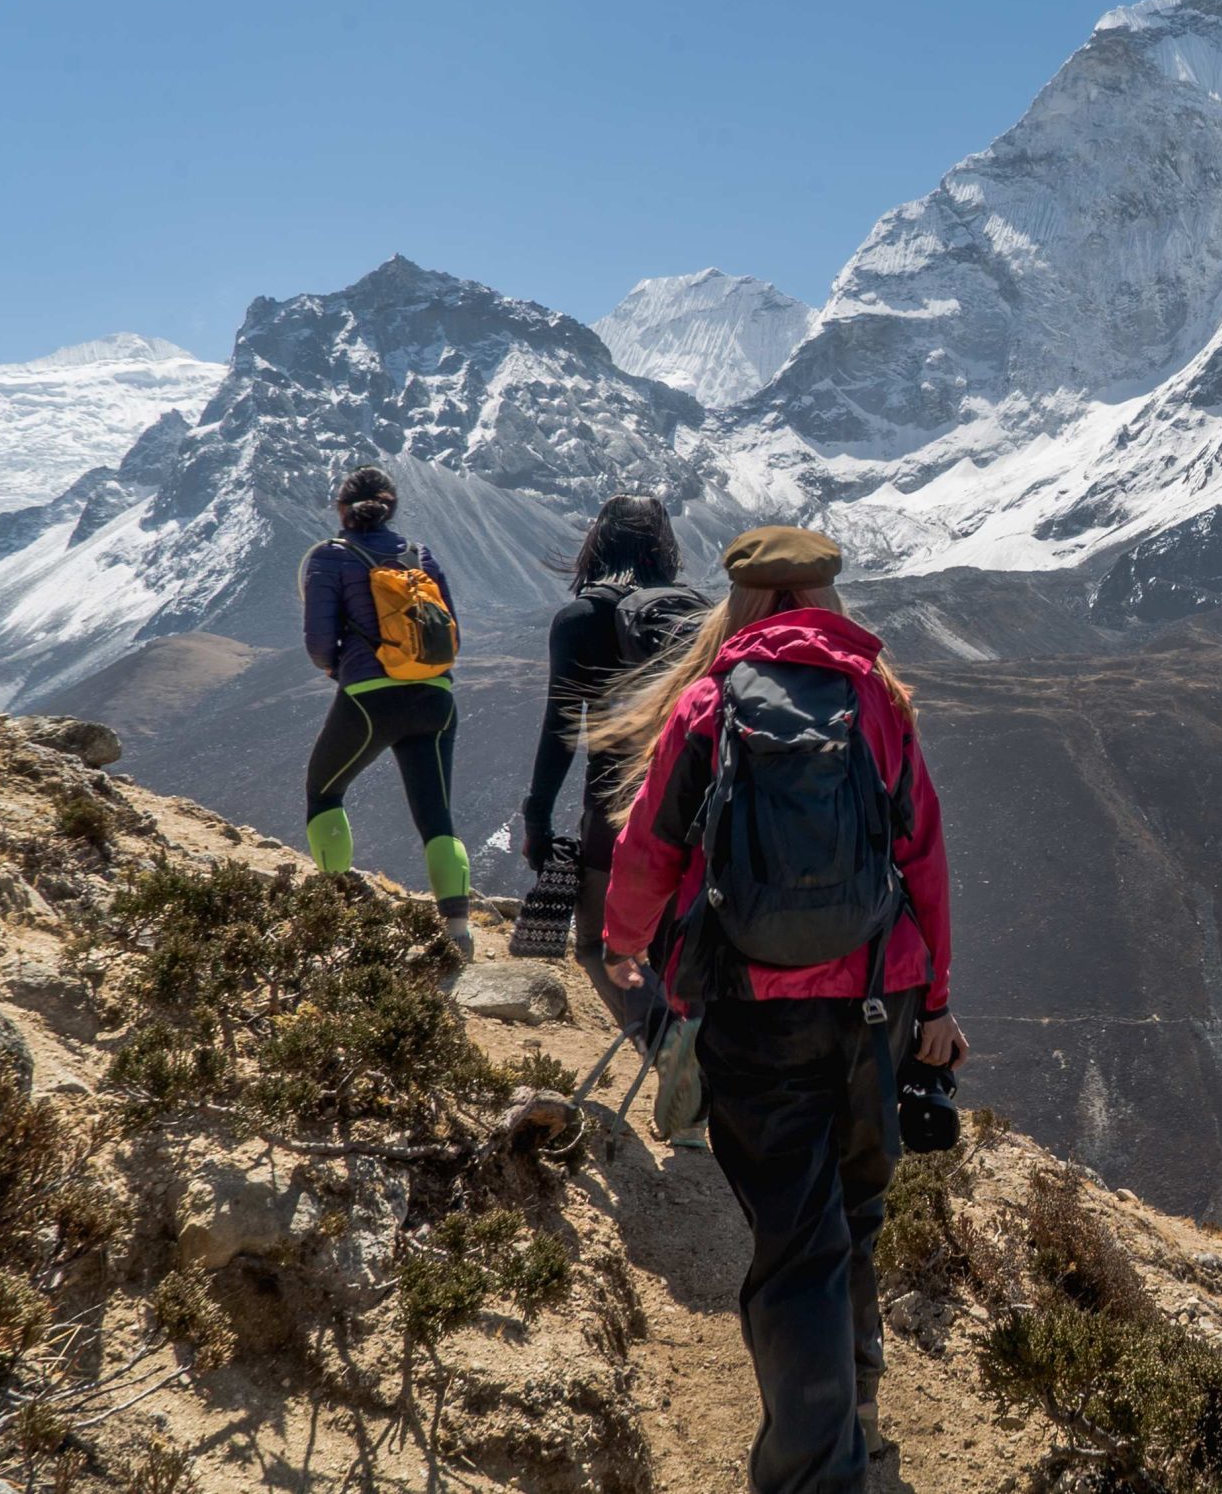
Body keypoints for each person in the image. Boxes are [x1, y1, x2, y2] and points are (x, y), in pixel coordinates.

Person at [591, 525, 964, 1494]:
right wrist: (938, 1002)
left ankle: (816, 1475)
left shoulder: (712, 702)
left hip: (756, 1012)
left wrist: (624, 946)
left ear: (746, 601)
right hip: (877, 1004)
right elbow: (922, 854)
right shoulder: (878, 700)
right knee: (855, 1214)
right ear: (827, 595)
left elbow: (648, 847)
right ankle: (858, 1418)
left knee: (798, 1245)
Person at [519, 493, 704, 961]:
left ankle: (655, 1036)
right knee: (677, 958)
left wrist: (537, 821)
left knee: (599, 949)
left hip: (612, 811)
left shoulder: (580, 619)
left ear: (597, 541)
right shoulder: (698, 616)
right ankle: (675, 1032)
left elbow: (560, 729)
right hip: (694, 810)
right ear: (665, 547)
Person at [300, 465, 473, 953]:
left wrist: (341, 669)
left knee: (325, 792)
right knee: (437, 816)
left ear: (342, 509)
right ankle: (458, 932)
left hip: (371, 698)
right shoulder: (421, 555)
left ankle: (333, 911)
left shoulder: (329, 558)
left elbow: (318, 642)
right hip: (436, 697)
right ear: (391, 508)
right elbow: (452, 628)